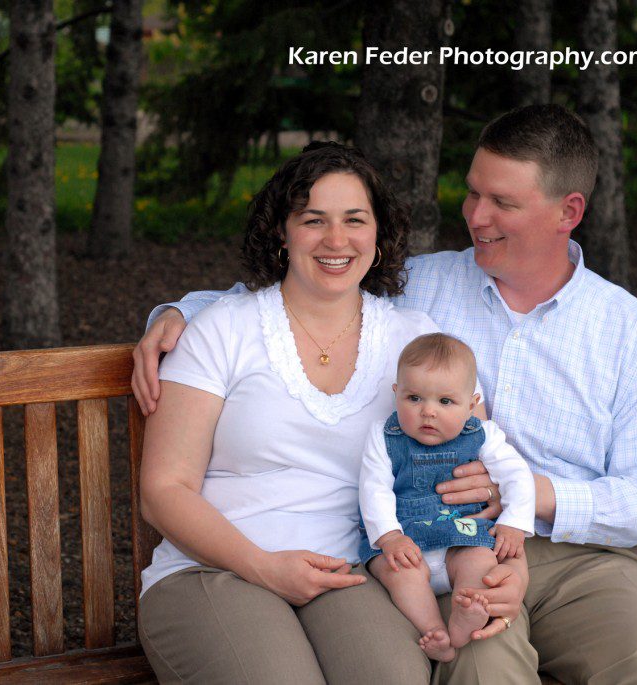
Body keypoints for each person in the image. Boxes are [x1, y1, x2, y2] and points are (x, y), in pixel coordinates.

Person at [134, 105, 637, 684]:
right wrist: (180, 312)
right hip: (452, 551)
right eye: (473, 193)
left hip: (581, 556)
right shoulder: (424, 287)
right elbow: (311, 287)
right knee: (478, 663)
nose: (475, 216)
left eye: (502, 202)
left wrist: (528, 494)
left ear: (569, 212)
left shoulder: (627, 330)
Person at [138, 141, 526, 684]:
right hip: (215, 566)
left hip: (351, 569)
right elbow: (163, 488)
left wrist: (511, 565)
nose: (336, 240)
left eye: (354, 220)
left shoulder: (414, 341)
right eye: (313, 219)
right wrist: (263, 566)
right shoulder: (222, 329)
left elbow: (477, 471)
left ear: (378, 233)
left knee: (393, 678)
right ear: (282, 232)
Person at [361, 333, 535, 663]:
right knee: (400, 575)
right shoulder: (384, 436)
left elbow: (517, 475)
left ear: (471, 405)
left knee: (481, 563)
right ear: (396, 393)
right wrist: (390, 537)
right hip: (405, 539)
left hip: (461, 536)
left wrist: (514, 523)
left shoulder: (482, 435)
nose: (428, 411)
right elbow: (373, 489)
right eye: (414, 398)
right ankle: (435, 631)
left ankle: (464, 616)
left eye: (445, 402)